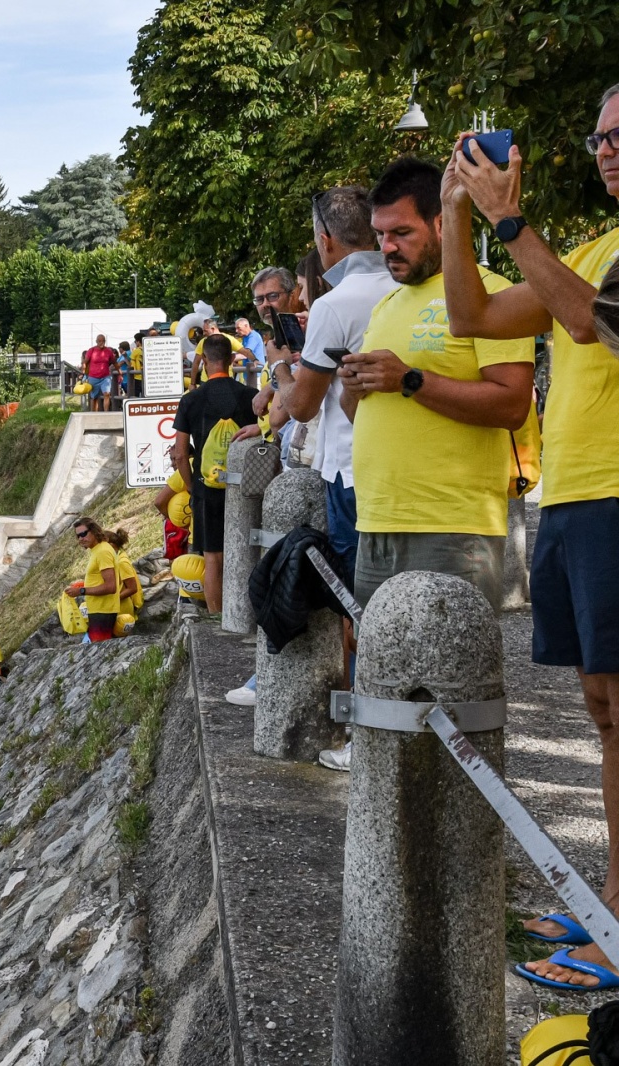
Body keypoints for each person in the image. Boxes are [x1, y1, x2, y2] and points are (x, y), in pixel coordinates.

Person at [442, 88, 619, 989]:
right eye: (601, 136)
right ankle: (615, 906)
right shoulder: (585, 251)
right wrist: (454, 213)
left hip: (618, 502)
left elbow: (592, 319)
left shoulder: (581, 267)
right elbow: (472, 317)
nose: (610, 150)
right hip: (581, 500)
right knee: (604, 714)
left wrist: (512, 225)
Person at [339, 156, 532, 612]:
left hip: (453, 529)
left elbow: (512, 406)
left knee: (448, 678)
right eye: (380, 234)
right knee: (379, 678)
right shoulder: (386, 305)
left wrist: (409, 379)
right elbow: (364, 413)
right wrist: (355, 386)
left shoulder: (491, 294)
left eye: (401, 233)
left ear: (444, 223)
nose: (386, 247)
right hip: (377, 521)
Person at [269, 186, 397, 755]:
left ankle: (361, 735)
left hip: (349, 470)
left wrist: (279, 370)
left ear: (325, 240)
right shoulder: (403, 284)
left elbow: (300, 405)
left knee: (357, 601)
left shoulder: (334, 305)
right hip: (403, 466)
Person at [171, 334, 261, 614]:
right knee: (248, 555)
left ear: (205, 361)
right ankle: (247, 615)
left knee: (213, 559)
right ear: (233, 360)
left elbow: (180, 453)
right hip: (245, 486)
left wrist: (191, 486)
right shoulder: (249, 396)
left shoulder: (191, 400)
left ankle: (217, 617)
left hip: (206, 489)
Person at [74, 518, 121, 642]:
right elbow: (100, 579)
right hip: (99, 610)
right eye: (78, 536)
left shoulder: (102, 552)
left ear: (94, 531)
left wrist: (82, 591)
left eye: (84, 534)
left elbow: (111, 586)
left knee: (99, 649)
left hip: (103, 611)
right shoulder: (98, 550)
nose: (80, 538)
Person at [84, 334, 116, 412]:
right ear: (96, 341)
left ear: (105, 341)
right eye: (99, 341)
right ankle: (93, 412)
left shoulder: (108, 351)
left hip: (105, 377)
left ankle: (106, 412)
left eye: (103, 341)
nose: (101, 343)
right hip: (93, 376)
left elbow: (114, 362)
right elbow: (85, 362)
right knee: (94, 397)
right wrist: (84, 374)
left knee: (107, 394)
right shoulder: (91, 350)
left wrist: (119, 371)